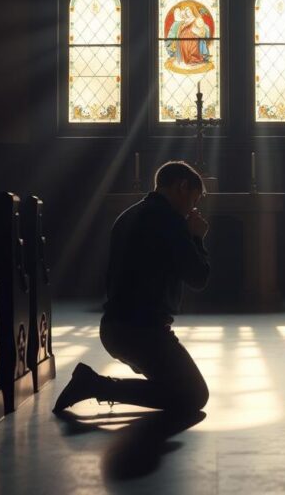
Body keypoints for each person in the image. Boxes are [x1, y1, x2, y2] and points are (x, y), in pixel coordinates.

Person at [53, 160, 211, 413]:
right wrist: (197, 238)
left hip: (115, 327)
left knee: (177, 385)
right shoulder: (169, 220)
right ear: (182, 186)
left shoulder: (129, 214)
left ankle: (93, 384)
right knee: (193, 395)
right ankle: (93, 384)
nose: (194, 208)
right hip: (142, 333)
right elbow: (198, 277)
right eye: (194, 199)